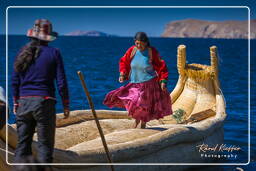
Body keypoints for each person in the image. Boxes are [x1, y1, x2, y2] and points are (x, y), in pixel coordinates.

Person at [11, 19, 70, 163]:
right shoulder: (54, 53)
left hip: (24, 103)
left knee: (22, 146)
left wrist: (15, 102)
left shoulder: (22, 53)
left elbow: (14, 81)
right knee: (45, 147)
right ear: (48, 37)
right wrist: (66, 105)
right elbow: (61, 83)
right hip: (44, 103)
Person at [104, 32, 172, 128]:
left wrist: (163, 81)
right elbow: (124, 62)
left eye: (141, 43)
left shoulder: (151, 51)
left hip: (148, 84)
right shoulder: (132, 50)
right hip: (134, 83)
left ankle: (142, 124)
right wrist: (122, 74)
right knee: (134, 102)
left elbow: (162, 66)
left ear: (146, 42)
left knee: (144, 105)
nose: (139, 45)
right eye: (137, 43)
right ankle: (136, 122)